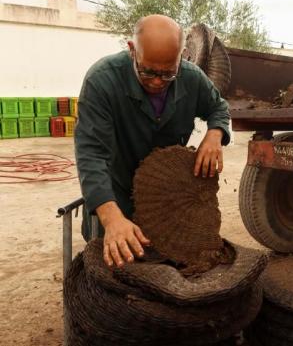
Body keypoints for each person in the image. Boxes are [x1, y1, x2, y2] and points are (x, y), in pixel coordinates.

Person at [75, 14, 230, 268]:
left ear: (181, 56)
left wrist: (215, 134)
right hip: (118, 197)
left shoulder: (191, 77)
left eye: (168, 74)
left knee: (174, 267)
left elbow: (218, 108)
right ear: (132, 50)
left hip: (169, 203)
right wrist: (111, 218)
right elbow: (91, 155)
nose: (158, 82)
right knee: (120, 275)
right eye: (148, 72)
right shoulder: (101, 81)